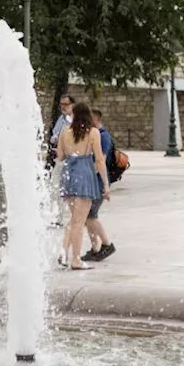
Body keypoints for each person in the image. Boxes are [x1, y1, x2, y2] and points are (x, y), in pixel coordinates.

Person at [56, 102, 110, 270]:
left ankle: (64, 252)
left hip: (69, 174)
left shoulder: (65, 132)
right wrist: (106, 185)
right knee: (79, 222)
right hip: (85, 174)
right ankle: (76, 259)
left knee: (74, 219)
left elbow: (60, 155)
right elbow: (100, 160)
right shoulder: (93, 133)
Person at [81, 109, 117, 262]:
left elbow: (100, 160)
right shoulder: (97, 135)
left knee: (90, 216)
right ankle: (95, 248)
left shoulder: (103, 136)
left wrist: (104, 185)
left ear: (94, 121)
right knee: (88, 217)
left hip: (97, 183)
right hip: (93, 182)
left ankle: (106, 244)